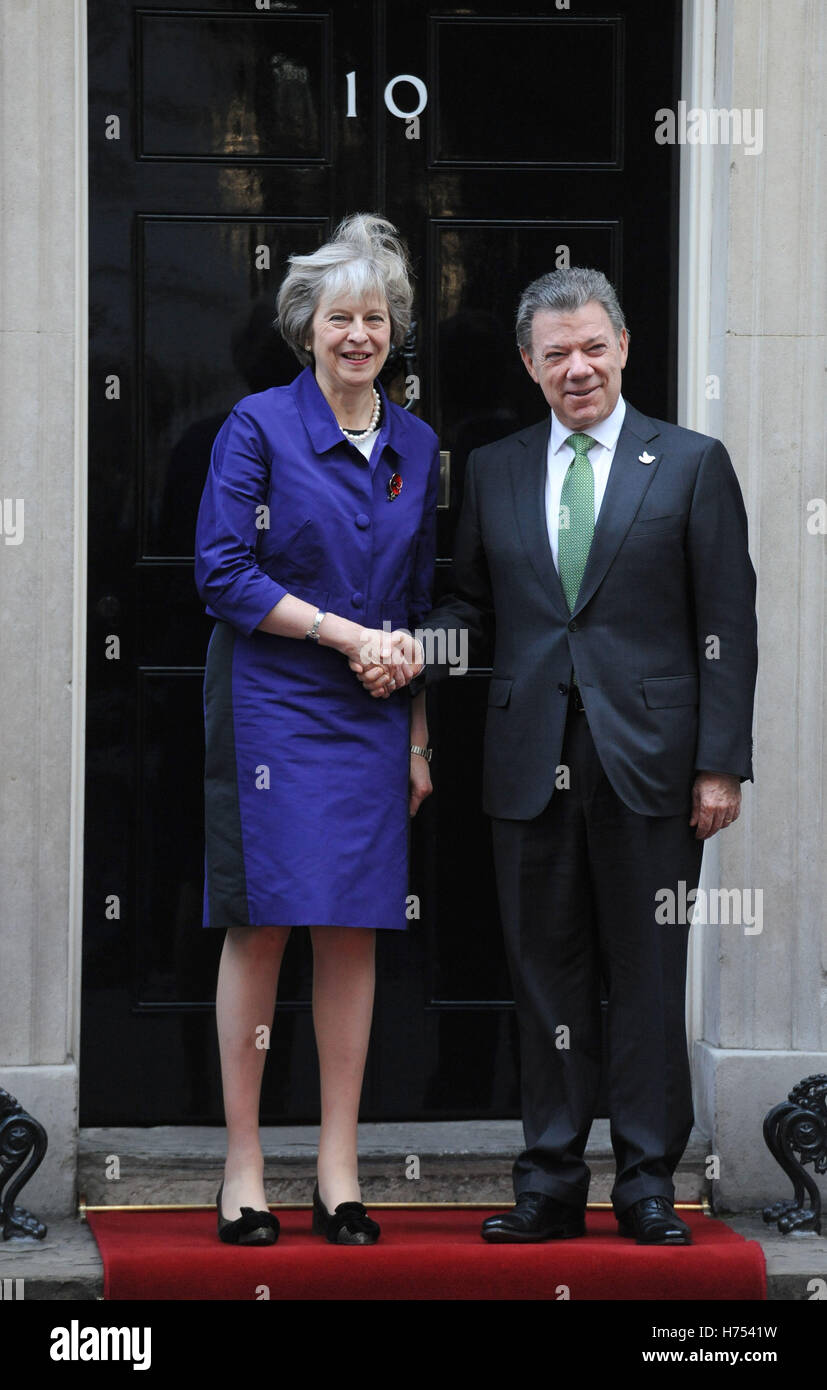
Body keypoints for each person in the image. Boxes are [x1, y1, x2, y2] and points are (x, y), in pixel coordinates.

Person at [355, 266, 758, 1245]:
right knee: (544, 979)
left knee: (648, 976)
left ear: (621, 348)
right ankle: (546, 1182)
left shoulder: (691, 463)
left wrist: (718, 764)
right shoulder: (492, 468)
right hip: (526, 758)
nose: (575, 367)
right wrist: (412, 650)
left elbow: (727, 624)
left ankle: (647, 1184)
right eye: (554, 353)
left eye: (590, 347)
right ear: (529, 365)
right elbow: (471, 609)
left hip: (653, 766)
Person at [194, 213, 438, 1246]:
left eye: (373, 316)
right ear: (307, 327)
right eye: (339, 315)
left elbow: (423, 595)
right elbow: (221, 572)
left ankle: (338, 1164)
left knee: (354, 925)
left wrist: (418, 726)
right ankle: (243, 1161)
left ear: (393, 330)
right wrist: (346, 634)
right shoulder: (256, 425)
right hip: (273, 706)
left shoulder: (417, 443)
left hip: (374, 714)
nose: (356, 333)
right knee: (267, 923)